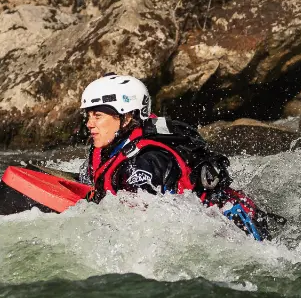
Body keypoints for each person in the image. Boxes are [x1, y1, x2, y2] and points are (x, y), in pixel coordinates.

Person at [78, 73, 285, 241]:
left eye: (98, 116)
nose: (89, 124)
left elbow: (145, 230)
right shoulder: (109, 145)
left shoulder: (144, 163)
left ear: (127, 118)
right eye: (88, 115)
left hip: (233, 231)